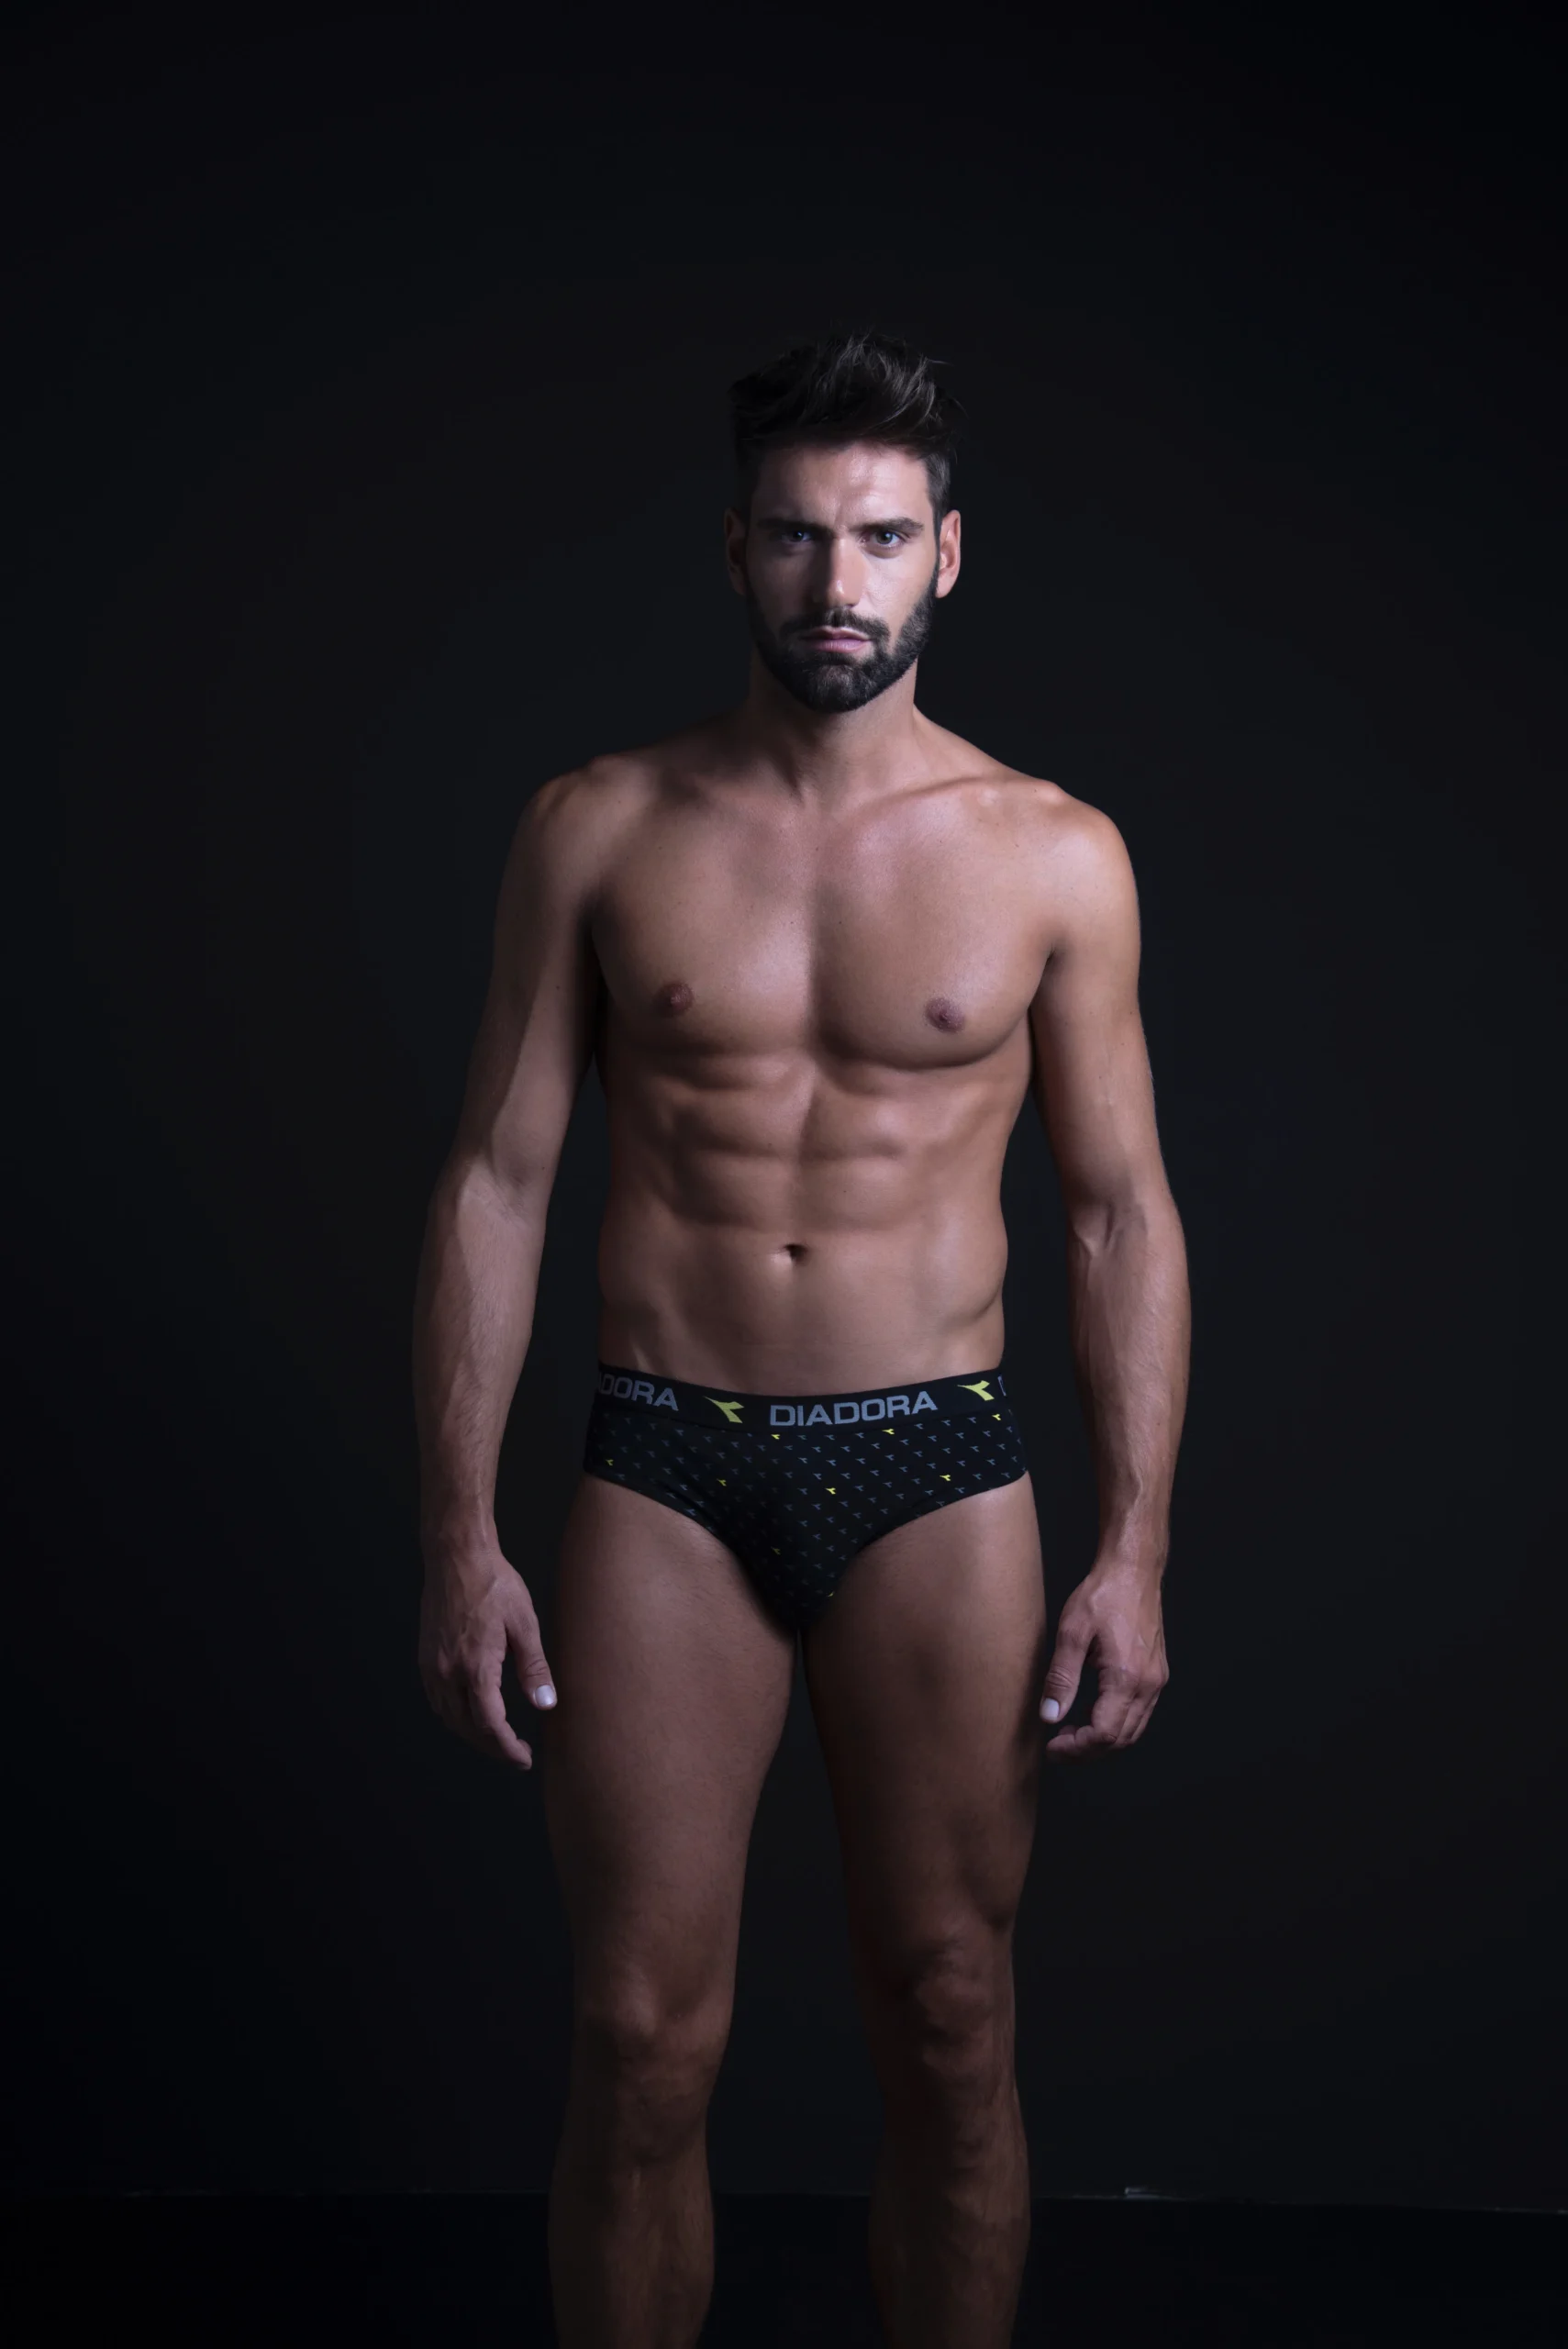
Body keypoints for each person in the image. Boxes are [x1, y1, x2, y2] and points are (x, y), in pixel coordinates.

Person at [412, 328, 1190, 2349]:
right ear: (732, 549)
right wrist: (458, 1536)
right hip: (667, 1459)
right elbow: (496, 1179)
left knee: (950, 2014)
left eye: (878, 537)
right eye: (793, 535)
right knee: (636, 2032)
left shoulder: (1053, 852)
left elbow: (1117, 1210)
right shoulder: (596, 825)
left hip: (937, 1464)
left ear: (949, 553)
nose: (836, 581)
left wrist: (1134, 1548)